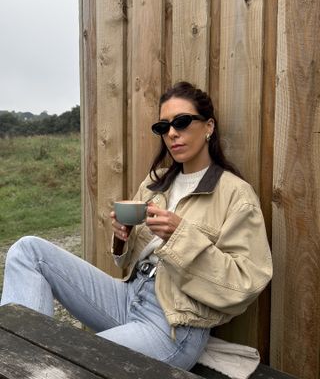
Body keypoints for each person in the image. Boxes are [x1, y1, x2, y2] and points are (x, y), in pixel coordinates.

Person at [0, 81, 272, 371]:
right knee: (28, 250)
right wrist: (122, 238)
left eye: (181, 122)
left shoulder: (235, 194)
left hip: (172, 326)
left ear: (208, 126)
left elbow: (245, 284)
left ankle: (26, 363)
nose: (171, 133)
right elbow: (126, 261)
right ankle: (20, 350)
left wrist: (181, 236)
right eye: (163, 127)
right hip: (129, 295)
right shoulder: (158, 182)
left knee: (69, 360)